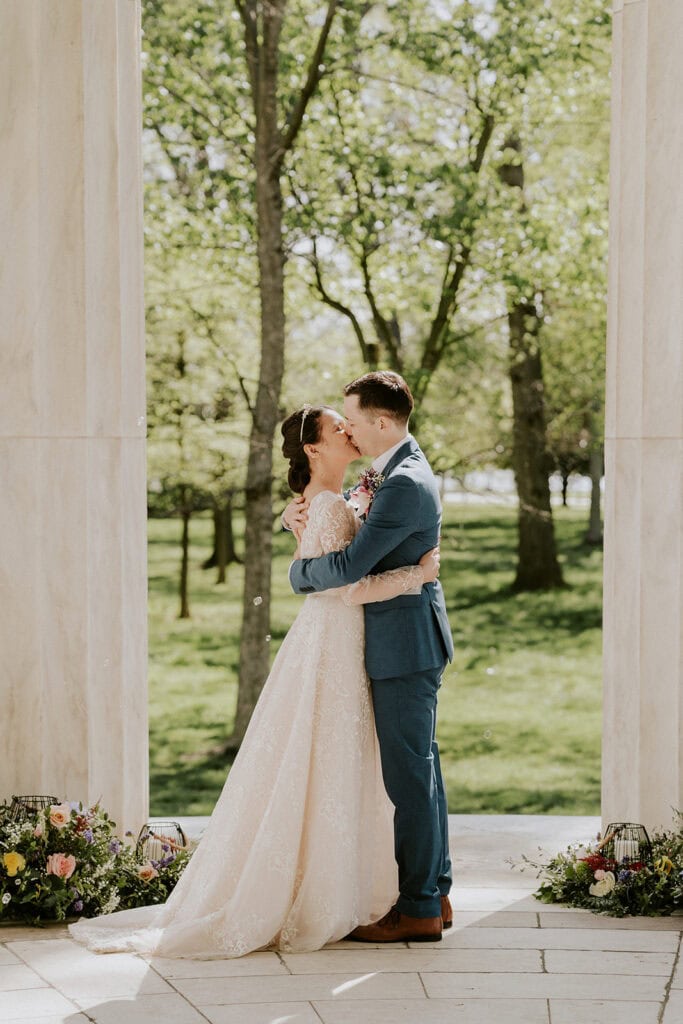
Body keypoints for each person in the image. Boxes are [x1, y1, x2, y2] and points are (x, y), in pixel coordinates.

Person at [69, 404, 440, 958]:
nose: (347, 431)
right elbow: (344, 583)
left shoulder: (336, 500)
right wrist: (419, 573)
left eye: (349, 423)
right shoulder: (332, 503)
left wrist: (306, 543)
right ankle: (342, 891)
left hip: (342, 641)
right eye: (337, 428)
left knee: (331, 763)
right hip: (338, 637)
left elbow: (330, 562)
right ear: (314, 449)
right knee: (330, 761)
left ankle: (371, 888)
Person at [284, 371, 454, 943]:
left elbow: (350, 568)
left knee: (409, 778)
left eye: (354, 420)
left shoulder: (403, 482)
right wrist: (295, 520)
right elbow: (334, 519)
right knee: (421, 770)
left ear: (382, 422)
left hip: (403, 645)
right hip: (399, 640)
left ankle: (419, 907)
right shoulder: (392, 472)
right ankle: (436, 892)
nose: (350, 431)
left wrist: (297, 572)